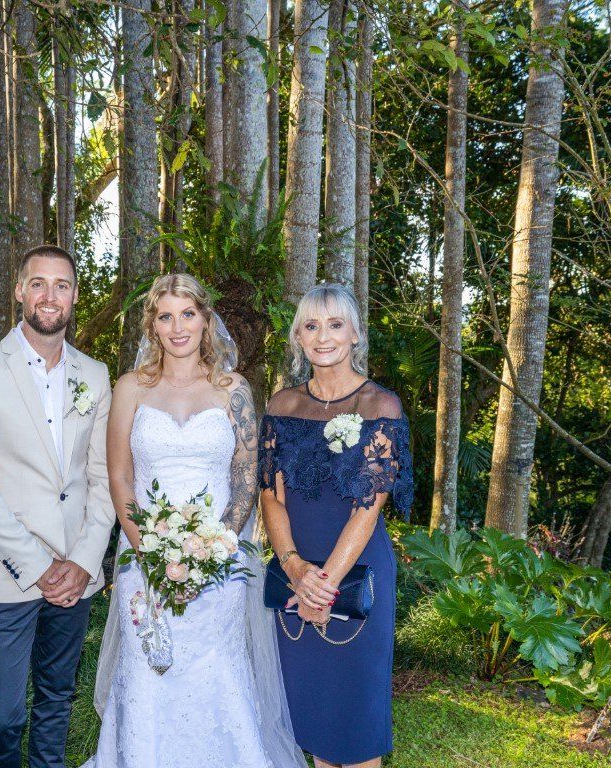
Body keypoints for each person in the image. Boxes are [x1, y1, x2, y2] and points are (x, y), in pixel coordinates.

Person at [85, 273, 306, 768]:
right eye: (166, 316)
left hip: (221, 563)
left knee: (218, 672)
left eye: (187, 314)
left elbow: (248, 476)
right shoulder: (129, 389)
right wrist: (152, 555)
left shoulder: (233, 390)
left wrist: (216, 549)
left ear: (206, 320)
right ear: (153, 326)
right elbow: (120, 476)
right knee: (148, 671)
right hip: (143, 559)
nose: (177, 326)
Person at [0, 244, 116, 768]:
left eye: (62, 285)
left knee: (56, 702)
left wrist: (84, 560)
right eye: (39, 284)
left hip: (76, 571)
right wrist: (40, 566)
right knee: (2, 715)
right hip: (9, 570)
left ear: (73, 297)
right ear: (19, 291)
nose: (50, 296)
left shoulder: (95, 375)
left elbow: (101, 477)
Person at [260, 283, 413, 768]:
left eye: (334, 324)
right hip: (295, 568)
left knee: (357, 723)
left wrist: (322, 585)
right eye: (311, 325)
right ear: (298, 339)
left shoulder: (379, 407)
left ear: (355, 335)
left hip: (357, 571)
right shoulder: (282, 407)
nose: (322, 336)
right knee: (317, 720)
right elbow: (270, 495)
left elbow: (368, 508)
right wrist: (295, 568)